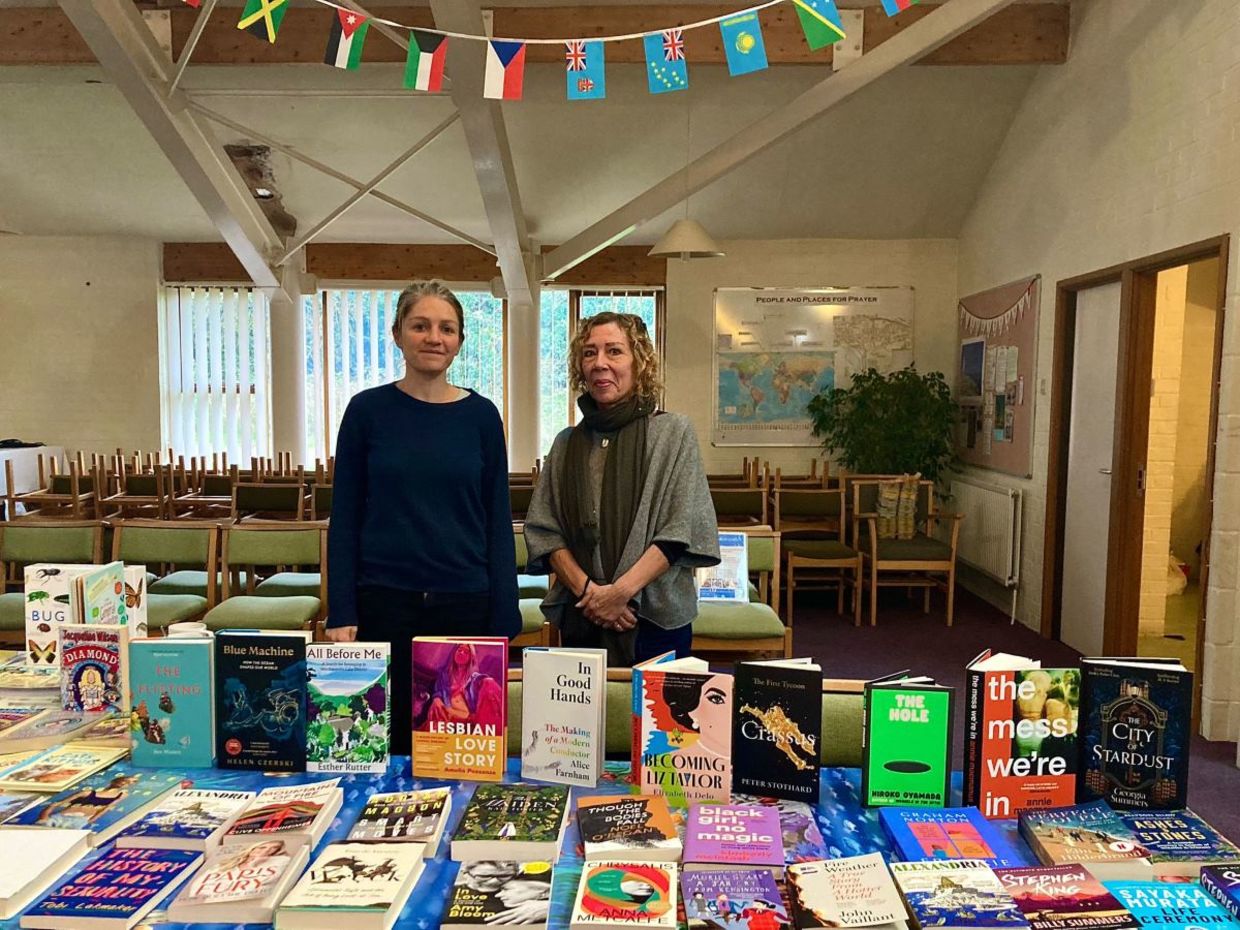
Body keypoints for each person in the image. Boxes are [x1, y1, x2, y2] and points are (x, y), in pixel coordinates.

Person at [326, 281, 520, 755]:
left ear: (459, 341)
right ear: (397, 334)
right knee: (386, 746)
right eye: (421, 325)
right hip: (383, 602)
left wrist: (504, 613)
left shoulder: (481, 416)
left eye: (446, 328)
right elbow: (344, 516)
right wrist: (342, 608)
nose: (434, 337)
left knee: (459, 750)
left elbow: (498, 519)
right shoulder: (366, 411)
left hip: (465, 603)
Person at [524, 312, 719, 666]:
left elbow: (681, 529)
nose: (600, 363)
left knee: (657, 721)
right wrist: (591, 593)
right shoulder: (566, 444)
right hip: (582, 616)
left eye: (614, 351)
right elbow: (545, 531)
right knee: (582, 721)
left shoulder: (673, 434)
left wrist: (620, 594)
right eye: (589, 353)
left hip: (656, 618)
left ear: (639, 361)